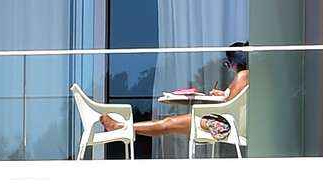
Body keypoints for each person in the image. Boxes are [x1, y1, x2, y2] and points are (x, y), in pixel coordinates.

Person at [100, 43, 250, 146]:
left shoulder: (243, 75)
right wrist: (223, 95)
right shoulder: (246, 76)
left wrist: (221, 98)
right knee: (168, 123)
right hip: (226, 122)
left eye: (229, 62)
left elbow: (228, 108)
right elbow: (234, 102)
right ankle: (122, 126)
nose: (229, 67)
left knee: (168, 123)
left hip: (223, 125)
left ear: (234, 61)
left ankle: (120, 126)